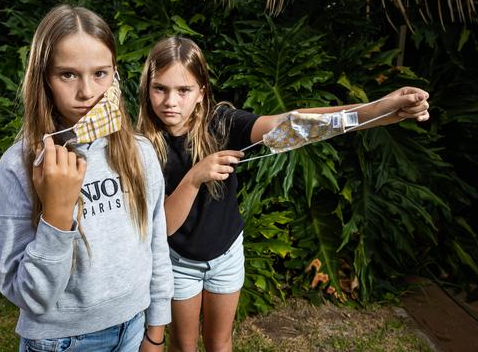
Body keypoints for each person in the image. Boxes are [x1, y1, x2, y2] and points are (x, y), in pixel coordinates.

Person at [137, 36, 430, 352]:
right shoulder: (142, 148)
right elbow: (162, 228)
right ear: (147, 89)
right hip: (179, 262)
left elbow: (293, 124)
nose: (171, 101)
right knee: (184, 344)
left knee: (220, 343)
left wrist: (383, 109)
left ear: (201, 93)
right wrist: (195, 178)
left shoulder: (222, 122)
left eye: (184, 90)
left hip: (226, 256)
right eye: (161, 89)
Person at [0, 5, 173, 351]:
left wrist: (156, 330)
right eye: (68, 75)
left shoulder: (140, 153)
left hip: (134, 327)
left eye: (100, 73)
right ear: (44, 77)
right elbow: (29, 295)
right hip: (60, 339)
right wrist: (58, 214)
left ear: (116, 75)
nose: (87, 92)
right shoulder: (19, 165)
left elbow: (156, 245)